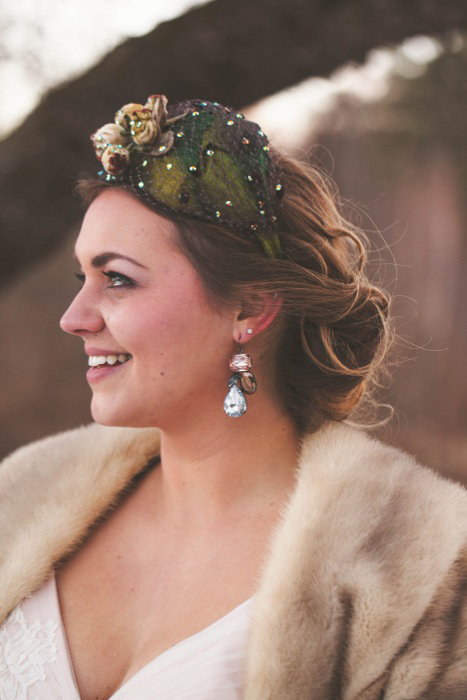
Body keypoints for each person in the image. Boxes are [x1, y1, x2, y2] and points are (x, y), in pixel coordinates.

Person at [0, 94, 466, 700]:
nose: (74, 318)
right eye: (81, 278)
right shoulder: (22, 494)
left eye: (116, 279)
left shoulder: (422, 576)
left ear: (249, 307)